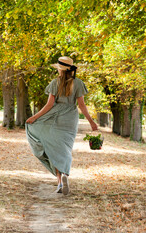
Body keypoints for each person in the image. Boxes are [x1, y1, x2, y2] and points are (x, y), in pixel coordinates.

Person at [26, 56, 98, 195]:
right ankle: (65, 175)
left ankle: (60, 182)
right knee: (65, 149)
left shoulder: (55, 83)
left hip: (55, 118)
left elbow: (49, 105)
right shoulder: (78, 83)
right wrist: (91, 121)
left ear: (60, 69)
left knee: (54, 149)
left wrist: (35, 117)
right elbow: (81, 105)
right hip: (70, 119)